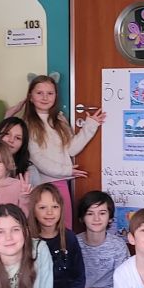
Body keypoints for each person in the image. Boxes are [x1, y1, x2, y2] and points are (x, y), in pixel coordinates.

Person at [23, 74, 105, 228]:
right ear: (30, 97)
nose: (45, 97)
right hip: (41, 184)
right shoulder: (27, 124)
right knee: (43, 227)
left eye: (50, 93)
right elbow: (37, 158)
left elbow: (72, 149)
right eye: (39, 93)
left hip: (60, 182)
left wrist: (90, 125)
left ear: (56, 96)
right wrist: (66, 170)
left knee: (65, 225)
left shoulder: (60, 119)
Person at [28, 183, 85, 288]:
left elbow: (78, 277)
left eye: (55, 207)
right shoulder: (27, 240)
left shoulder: (69, 238)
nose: (49, 212)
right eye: (42, 207)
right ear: (33, 210)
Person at [75, 190, 130, 288]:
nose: (96, 219)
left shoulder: (118, 246)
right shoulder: (73, 242)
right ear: (82, 218)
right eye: (90, 213)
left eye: (102, 213)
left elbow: (126, 285)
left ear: (110, 217)